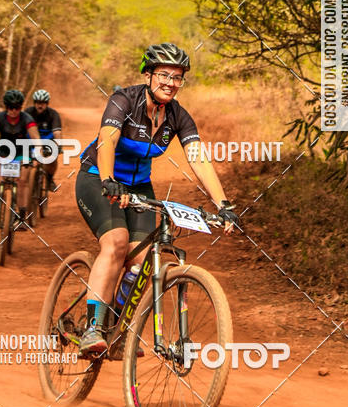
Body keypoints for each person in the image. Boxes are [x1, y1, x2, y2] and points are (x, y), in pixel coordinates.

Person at [74, 42, 240, 355]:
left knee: (141, 262)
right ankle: (92, 327)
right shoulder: (124, 100)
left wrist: (223, 204)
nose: (170, 83)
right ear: (148, 74)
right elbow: (106, 142)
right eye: (164, 74)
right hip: (98, 177)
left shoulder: (178, 116)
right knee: (116, 242)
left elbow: (198, 158)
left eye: (178, 77)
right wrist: (109, 180)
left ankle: (116, 325)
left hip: (138, 185)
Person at [0, 89, 40, 228]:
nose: (14, 111)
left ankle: (21, 217)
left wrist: (37, 155)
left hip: (22, 151)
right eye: (10, 107)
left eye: (17, 107)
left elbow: (36, 138)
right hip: (3, 151)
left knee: (22, 182)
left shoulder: (27, 119)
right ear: (6, 107)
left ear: (21, 107)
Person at [24, 89, 62, 191]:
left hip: (47, 141)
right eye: (37, 103)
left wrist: (58, 145)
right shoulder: (27, 113)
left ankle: (49, 179)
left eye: (43, 103)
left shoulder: (53, 114)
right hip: (30, 140)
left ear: (47, 104)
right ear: (34, 103)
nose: (40, 105)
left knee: (52, 158)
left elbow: (57, 133)